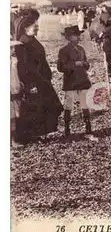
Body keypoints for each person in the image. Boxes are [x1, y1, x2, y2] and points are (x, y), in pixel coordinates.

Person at [14, 9, 63, 144]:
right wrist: (30, 84)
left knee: (44, 107)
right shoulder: (23, 43)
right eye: (35, 27)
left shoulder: (31, 40)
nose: (37, 29)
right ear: (26, 28)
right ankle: (30, 136)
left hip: (41, 79)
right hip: (34, 80)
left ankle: (39, 134)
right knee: (35, 109)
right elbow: (24, 67)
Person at [57, 25, 97, 141]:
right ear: (69, 38)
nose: (79, 37)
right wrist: (75, 64)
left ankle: (88, 129)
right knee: (69, 105)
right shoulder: (63, 51)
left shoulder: (81, 49)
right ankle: (67, 131)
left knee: (85, 105)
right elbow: (61, 67)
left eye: (79, 35)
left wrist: (85, 65)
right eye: (76, 35)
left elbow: (87, 64)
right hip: (70, 80)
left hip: (82, 80)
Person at [11, 40, 24, 148]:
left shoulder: (14, 60)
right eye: (10, 48)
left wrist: (20, 84)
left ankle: (15, 138)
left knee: (16, 115)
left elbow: (15, 75)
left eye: (13, 48)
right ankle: (13, 140)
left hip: (15, 87)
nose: (12, 50)